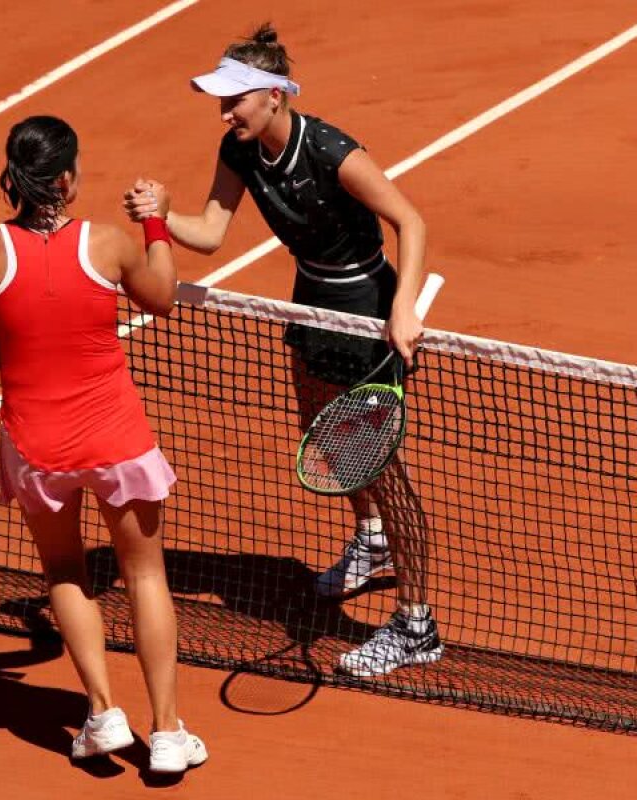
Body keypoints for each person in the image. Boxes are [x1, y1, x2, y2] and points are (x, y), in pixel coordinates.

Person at [123, 24, 442, 677]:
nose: (224, 112)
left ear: (272, 96)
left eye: (234, 100)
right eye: (220, 101)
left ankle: (417, 626)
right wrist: (159, 216)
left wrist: (403, 306)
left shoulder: (329, 150)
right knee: (321, 433)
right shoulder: (239, 151)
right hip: (308, 299)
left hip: (364, 308)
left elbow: (410, 221)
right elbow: (210, 232)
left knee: (378, 464)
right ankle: (373, 541)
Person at [0, 115, 207, 774]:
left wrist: (23, 344)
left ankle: (100, 714)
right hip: (116, 438)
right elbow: (162, 298)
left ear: (14, 176)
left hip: (37, 448)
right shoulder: (109, 245)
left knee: (66, 572)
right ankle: (170, 732)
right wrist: (155, 222)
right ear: (66, 178)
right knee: (145, 575)